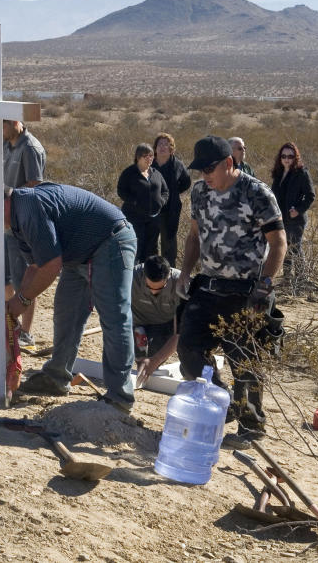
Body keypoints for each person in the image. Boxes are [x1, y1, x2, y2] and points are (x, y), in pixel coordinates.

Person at [0, 182, 137, 411]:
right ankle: (56, 378)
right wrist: (16, 302)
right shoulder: (17, 222)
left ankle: (120, 396)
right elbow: (35, 266)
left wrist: (22, 300)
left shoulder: (29, 207)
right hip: (77, 255)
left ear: (3, 202)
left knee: (114, 318)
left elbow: (50, 266)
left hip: (110, 241)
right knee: (65, 314)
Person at [177, 135, 287, 449]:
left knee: (245, 361)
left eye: (209, 169)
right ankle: (220, 403)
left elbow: (279, 243)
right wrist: (185, 272)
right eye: (200, 170)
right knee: (188, 349)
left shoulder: (256, 193)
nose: (204, 176)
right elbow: (194, 236)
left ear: (229, 163)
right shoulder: (199, 193)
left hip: (246, 290)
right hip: (209, 286)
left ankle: (251, 428)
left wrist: (264, 287)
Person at [2, 119, 46, 347]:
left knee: (24, 282)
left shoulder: (30, 147)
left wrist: (13, 201)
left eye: (4, 124)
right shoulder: (5, 144)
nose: (0, 129)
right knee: (4, 278)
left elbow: (35, 186)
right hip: (4, 222)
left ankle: (26, 332)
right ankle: (11, 325)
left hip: (21, 225)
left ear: (16, 122)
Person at [131, 255, 186, 387]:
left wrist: (155, 360)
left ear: (168, 277)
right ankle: (139, 339)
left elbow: (179, 333)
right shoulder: (131, 276)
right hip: (137, 323)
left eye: (159, 288)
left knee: (152, 364)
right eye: (149, 287)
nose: (154, 292)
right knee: (123, 357)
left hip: (165, 325)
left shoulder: (181, 284)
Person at [117, 143, 169, 264]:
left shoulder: (156, 173)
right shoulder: (129, 173)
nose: (149, 158)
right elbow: (121, 190)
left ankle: (149, 277)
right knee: (136, 248)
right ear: (138, 157)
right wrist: (134, 201)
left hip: (154, 219)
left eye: (151, 155)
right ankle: (134, 277)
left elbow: (165, 191)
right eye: (145, 156)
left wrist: (161, 202)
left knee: (151, 250)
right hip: (135, 219)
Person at [270, 142, 315, 278]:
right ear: (280, 158)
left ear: (296, 157)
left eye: (290, 156)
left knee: (295, 247)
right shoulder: (278, 173)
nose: (287, 159)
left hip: (295, 219)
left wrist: (298, 210)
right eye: (284, 156)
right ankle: (287, 277)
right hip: (281, 217)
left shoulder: (302, 173)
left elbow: (310, 195)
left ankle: (301, 277)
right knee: (285, 246)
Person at [151, 132, 192, 267]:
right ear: (155, 148)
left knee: (169, 243)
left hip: (171, 210)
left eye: (166, 144)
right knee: (149, 242)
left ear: (171, 148)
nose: (162, 147)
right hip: (151, 210)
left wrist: (173, 193)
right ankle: (151, 272)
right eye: (159, 144)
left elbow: (186, 182)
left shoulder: (177, 165)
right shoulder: (149, 165)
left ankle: (169, 273)